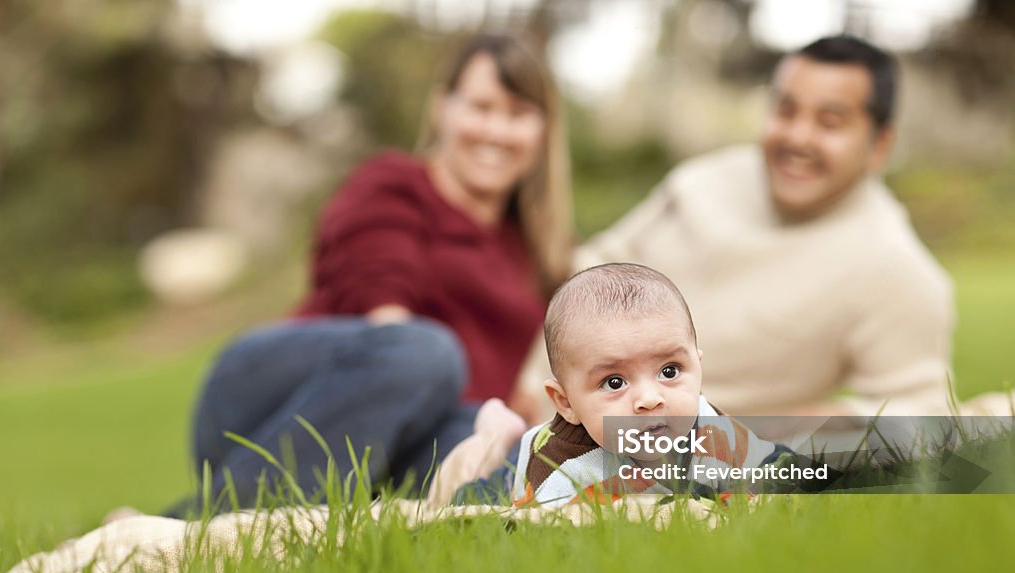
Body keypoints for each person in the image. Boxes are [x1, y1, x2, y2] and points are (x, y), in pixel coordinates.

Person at [160, 33, 573, 518]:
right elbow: (387, 321)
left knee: (523, 463)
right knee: (426, 350)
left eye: (517, 114)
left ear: (543, 130)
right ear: (443, 108)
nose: (496, 131)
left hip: (410, 437)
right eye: (482, 107)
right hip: (277, 404)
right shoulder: (394, 185)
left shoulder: (537, 251)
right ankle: (181, 525)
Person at [517, 35, 958, 420]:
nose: (798, 138)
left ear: (879, 145)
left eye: (830, 122)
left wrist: (801, 427)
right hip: (527, 389)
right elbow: (592, 266)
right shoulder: (702, 181)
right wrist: (523, 381)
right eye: (786, 111)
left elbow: (919, 414)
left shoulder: (893, 267)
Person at [441, 264, 791, 508]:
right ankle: (495, 436)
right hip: (525, 468)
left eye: (670, 371)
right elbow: (535, 537)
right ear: (565, 403)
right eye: (614, 382)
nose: (650, 400)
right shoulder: (559, 470)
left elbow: (772, 468)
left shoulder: (708, 425)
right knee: (464, 498)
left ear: (697, 365)